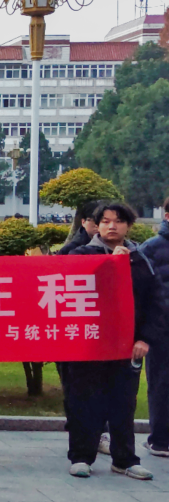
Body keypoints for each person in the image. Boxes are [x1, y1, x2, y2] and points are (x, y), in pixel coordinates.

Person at [65, 202, 163, 480]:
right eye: (106, 221)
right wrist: (112, 264)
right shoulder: (81, 254)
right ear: (96, 225)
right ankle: (81, 457)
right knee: (85, 401)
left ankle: (125, 459)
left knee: (123, 403)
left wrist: (144, 339)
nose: (112, 226)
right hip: (88, 343)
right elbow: (72, 285)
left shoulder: (140, 258)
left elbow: (155, 302)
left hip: (126, 346)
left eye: (118, 221)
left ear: (128, 226)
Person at [137, 195, 169, 459]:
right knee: (162, 385)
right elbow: (141, 292)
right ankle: (160, 440)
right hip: (162, 330)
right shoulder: (151, 248)